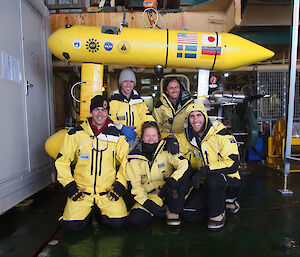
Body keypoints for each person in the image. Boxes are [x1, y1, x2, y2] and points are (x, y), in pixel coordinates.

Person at [55, 95, 129, 231]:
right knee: (71, 226)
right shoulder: (75, 134)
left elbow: (127, 161)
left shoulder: (117, 137)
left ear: (108, 113)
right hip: (82, 191)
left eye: (103, 110)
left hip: (107, 191)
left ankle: (100, 212)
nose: (100, 114)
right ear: (91, 111)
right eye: (96, 110)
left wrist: (120, 185)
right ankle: (87, 213)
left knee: (119, 223)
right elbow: (62, 161)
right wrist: (69, 186)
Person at [177, 102, 242, 230]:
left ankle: (218, 212)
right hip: (204, 182)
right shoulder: (188, 137)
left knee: (214, 180)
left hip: (229, 181)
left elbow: (233, 164)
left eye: (199, 115)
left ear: (205, 117)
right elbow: (169, 138)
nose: (196, 120)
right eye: (192, 116)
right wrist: (170, 140)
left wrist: (205, 170)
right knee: (188, 213)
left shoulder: (222, 135)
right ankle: (220, 203)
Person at [126, 121, 191, 227]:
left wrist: (173, 181)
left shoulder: (167, 149)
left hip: (170, 192)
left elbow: (184, 164)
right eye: (147, 136)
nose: (151, 139)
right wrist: (146, 202)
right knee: (135, 220)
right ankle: (161, 211)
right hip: (149, 196)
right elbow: (134, 185)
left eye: (154, 135)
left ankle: (172, 210)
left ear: (159, 137)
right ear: (141, 137)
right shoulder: (134, 158)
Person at [109, 68, 155, 140]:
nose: (128, 85)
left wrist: (152, 126)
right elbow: (108, 120)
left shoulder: (140, 102)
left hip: (137, 140)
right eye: (125, 81)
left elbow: (146, 117)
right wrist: (121, 128)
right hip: (118, 141)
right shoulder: (113, 102)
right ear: (121, 83)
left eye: (131, 81)